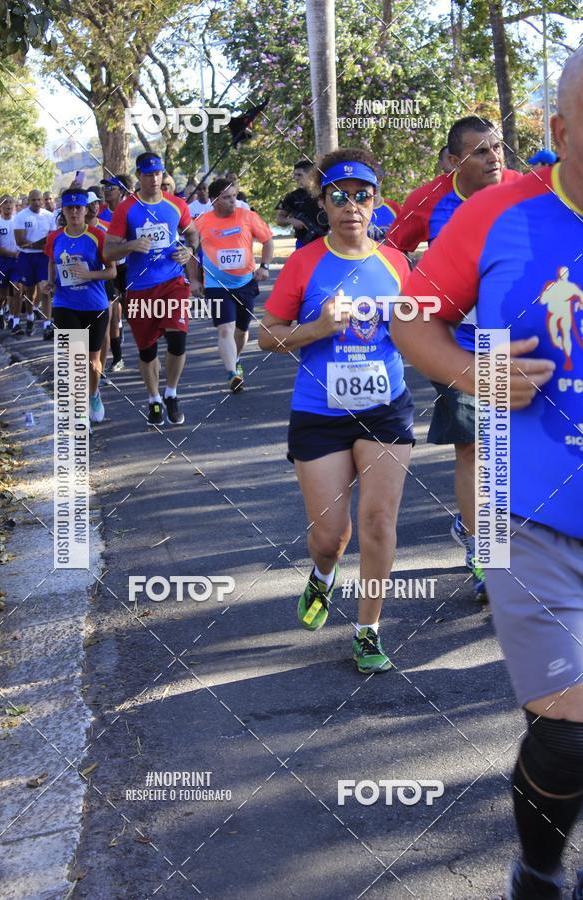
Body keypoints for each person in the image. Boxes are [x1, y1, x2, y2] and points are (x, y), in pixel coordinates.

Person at [391, 47, 583, 900]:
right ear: (561, 131)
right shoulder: (499, 214)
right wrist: (474, 373)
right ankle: (538, 874)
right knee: (570, 730)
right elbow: (411, 316)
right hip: (526, 506)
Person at [258, 148, 415, 673]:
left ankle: (368, 630)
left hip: (385, 407)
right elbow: (267, 337)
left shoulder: (395, 262)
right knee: (331, 537)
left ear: (376, 202)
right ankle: (323, 574)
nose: (352, 206)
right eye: (339, 196)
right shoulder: (305, 262)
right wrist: (318, 328)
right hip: (319, 411)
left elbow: (416, 330)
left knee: (378, 521)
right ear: (323, 203)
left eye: (362, 196)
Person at [387, 117, 522, 600]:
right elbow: (389, 253)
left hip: (520, 338)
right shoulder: (428, 199)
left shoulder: (527, 191)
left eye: (497, 148)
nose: (494, 157)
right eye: (481, 151)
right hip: (456, 340)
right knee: (475, 445)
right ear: (452, 160)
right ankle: (487, 553)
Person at [104, 151, 200, 426]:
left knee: (178, 341)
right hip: (140, 288)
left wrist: (190, 250)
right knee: (147, 351)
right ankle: (154, 398)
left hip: (172, 283)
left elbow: (193, 233)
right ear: (139, 176)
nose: (154, 179)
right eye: (148, 175)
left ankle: (171, 393)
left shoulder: (176, 205)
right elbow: (108, 251)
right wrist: (131, 245)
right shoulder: (126, 209)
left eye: (158, 174)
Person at [44, 187, 116, 426]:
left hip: (94, 305)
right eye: (69, 208)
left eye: (78, 207)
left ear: (86, 210)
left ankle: (93, 394)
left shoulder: (98, 236)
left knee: (92, 361)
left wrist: (89, 274)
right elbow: (52, 263)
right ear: (63, 210)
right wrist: (49, 283)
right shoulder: (55, 237)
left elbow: (112, 272)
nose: (74, 212)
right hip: (65, 304)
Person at [195, 177, 273, 391]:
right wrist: (193, 279)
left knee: (241, 330)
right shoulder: (202, 222)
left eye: (234, 196)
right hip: (216, 285)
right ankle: (231, 374)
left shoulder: (247, 216)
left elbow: (267, 240)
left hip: (245, 282)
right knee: (225, 329)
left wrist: (264, 266)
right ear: (213, 200)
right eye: (227, 197)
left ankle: (236, 358)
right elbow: (191, 250)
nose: (233, 201)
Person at [99, 175, 133, 373]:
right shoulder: (100, 213)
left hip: (128, 266)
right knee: (111, 311)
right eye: (105, 188)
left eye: (111, 188)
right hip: (109, 268)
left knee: (131, 311)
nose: (107, 192)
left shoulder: (130, 210)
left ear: (121, 191)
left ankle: (147, 350)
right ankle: (117, 357)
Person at [13, 189, 55, 338]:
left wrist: (40, 246)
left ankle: (47, 325)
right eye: (33, 200)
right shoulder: (21, 216)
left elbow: (51, 238)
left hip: (43, 257)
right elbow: (20, 241)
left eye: (39, 200)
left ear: (42, 201)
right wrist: (38, 245)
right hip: (27, 257)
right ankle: (30, 317)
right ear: (28, 201)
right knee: (29, 291)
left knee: (46, 290)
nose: (37, 203)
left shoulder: (49, 216)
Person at [275, 160, 328, 249]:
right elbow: (279, 219)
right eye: (295, 175)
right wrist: (291, 220)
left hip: (327, 241)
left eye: (299, 175)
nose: (296, 178)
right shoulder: (292, 196)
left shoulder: (326, 193)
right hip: (303, 243)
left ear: (311, 175)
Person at [0, 195, 20, 334]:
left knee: (17, 291)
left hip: (16, 262)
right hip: (0, 261)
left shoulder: (18, 221)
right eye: (5, 203)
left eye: (10, 202)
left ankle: (14, 321)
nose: (8, 205)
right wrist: (12, 254)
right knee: (3, 293)